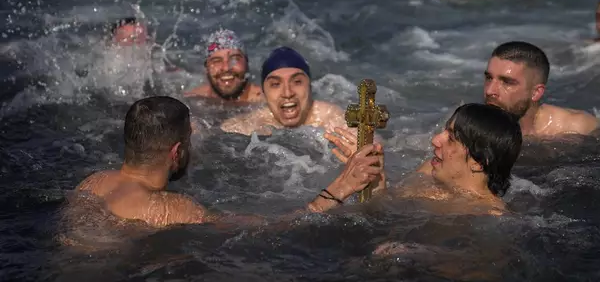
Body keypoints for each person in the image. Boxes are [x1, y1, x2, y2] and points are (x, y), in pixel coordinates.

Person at [72, 96, 381, 228]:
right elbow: (276, 228)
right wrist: (341, 186)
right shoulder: (172, 209)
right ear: (176, 152)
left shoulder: (92, 183)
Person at [326, 103, 522, 213]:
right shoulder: (431, 169)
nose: (435, 140)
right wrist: (375, 178)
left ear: (479, 162)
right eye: (444, 130)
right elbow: (384, 209)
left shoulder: (490, 216)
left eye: (451, 139)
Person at [220, 47, 348, 135]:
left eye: (297, 82)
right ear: (264, 93)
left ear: (309, 86)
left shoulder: (333, 120)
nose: (287, 93)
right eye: (275, 84)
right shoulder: (244, 127)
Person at [484, 41, 599, 137]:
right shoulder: (471, 128)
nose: (489, 91)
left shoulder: (574, 129)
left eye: (507, 82)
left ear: (536, 92)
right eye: (489, 78)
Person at [184, 29, 264, 103]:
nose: (226, 68)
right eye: (217, 61)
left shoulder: (265, 102)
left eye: (234, 59)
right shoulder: (193, 99)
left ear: (246, 62)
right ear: (206, 68)